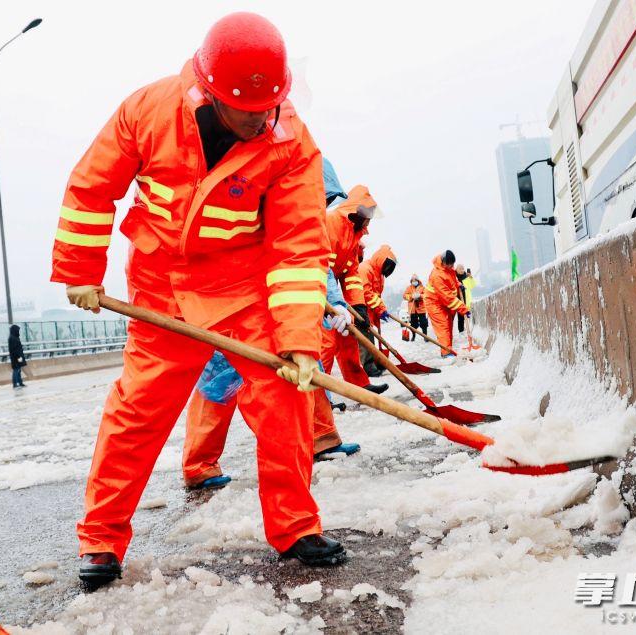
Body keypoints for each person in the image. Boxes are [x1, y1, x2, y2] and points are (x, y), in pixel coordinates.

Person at [52, 13, 345, 585]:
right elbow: (92, 186)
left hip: (243, 292)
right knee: (137, 413)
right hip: (161, 289)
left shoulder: (291, 142)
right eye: (246, 110)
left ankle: (295, 527)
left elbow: (297, 247)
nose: (260, 119)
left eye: (269, 107)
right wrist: (80, 271)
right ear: (209, 93)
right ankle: (101, 541)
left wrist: (299, 342)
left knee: (285, 402)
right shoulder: (149, 111)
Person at [181, 159, 361, 489]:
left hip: (282, 308)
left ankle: (324, 440)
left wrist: (334, 303)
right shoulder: (246, 207)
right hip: (234, 304)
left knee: (308, 366)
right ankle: (200, 465)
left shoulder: (307, 221)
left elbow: (314, 264)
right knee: (220, 381)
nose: (319, 205)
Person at [321, 185, 388, 391]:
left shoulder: (354, 235)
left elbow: (351, 274)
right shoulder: (331, 222)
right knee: (326, 342)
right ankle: (320, 393)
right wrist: (333, 300)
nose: (369, 221)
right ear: (356, 211)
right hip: (319, 290)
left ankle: (359, 384)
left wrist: (358, 306)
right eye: (367, 215)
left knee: (348, 337)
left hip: (335, 294)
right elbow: (322, 264)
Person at [358, 244, 396, 375]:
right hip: (361, 307)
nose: (387, 270)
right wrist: (380, 309)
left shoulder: (379, 274)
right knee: (366, 336)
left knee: (373, 336)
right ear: (381, 261)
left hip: (372, 309)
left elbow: (377, 295)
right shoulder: (365, 269)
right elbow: (366, 292)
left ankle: (376, 361)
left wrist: (381, 309)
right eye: (387, 266)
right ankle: (367, 366)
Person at [425, 250, 469, 357]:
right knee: (443, 327)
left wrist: (458, 284)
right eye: (449, 264)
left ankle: (448, 349)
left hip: (444, 303)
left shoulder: (448, 269)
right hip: (434, 303)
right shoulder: (437, 275)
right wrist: (464, 309)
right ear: (443, 262)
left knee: (449, 326)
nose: (451, 266)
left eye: (452, 264)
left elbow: (452, 279)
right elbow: (448, 298)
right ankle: (446, 353)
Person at [403, 274, 428, 340]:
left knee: (423, 323)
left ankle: (425, 336)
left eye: (415, 280)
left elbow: (426, 295)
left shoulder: (422, 287)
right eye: (412, 281)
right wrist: (411, 296)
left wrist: (420, 296)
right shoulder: (409, 288)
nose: (414, 282)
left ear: (418, 280)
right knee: (413, 324)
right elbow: (405, 295)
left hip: (421, 309)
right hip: (412, 309)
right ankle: (413, 335)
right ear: (411, 281)